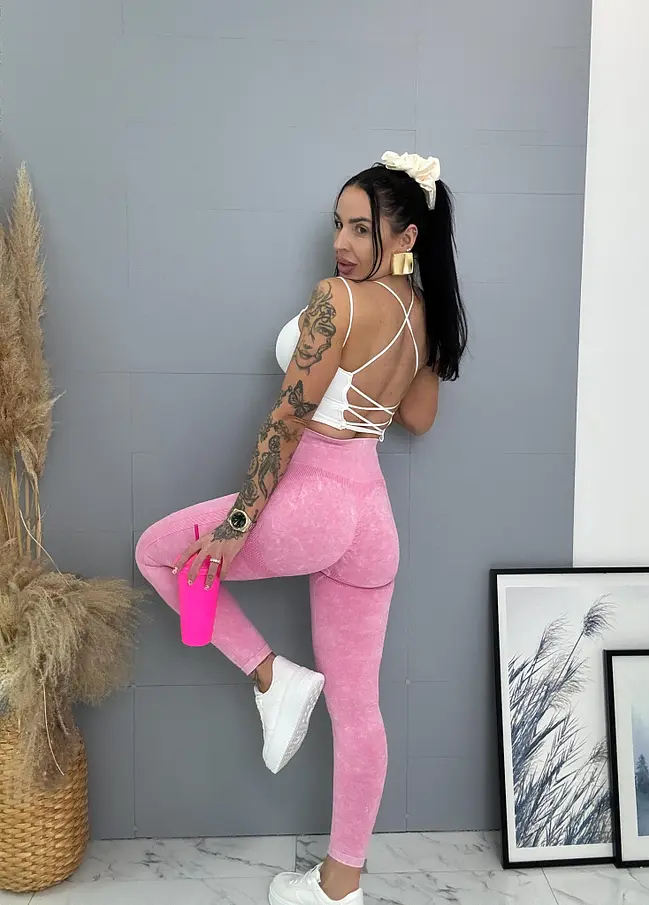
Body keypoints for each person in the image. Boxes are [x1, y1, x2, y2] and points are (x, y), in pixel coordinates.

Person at [135, 151, 468, 905]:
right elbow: (417, 417)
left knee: (159, 553)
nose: (341, 243)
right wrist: (403, 347)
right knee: (359, 709)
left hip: (316, 498)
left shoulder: (337, 298)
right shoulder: (422, 316)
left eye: (362, 228)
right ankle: (340, 886)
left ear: (406, 236)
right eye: (338, 225)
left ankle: (270, 674)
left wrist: (240, 519)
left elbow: (287, 419)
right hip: (372, 519)